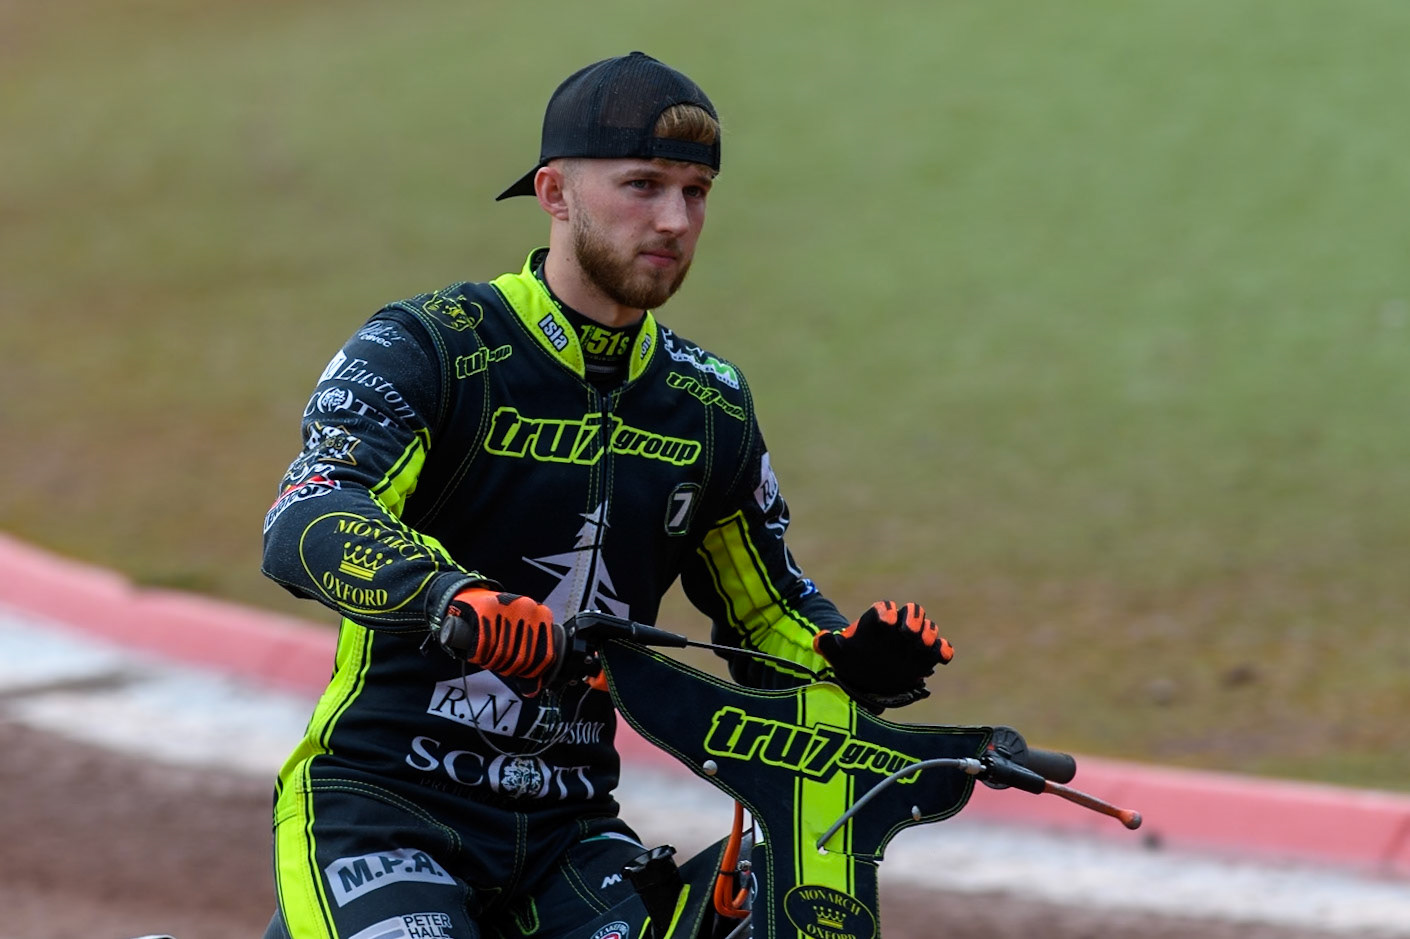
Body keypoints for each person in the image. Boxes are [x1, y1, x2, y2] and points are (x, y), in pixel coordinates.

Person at [259, 51, 951, 939]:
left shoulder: (710, 404)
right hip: (382, 808)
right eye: (642, 184)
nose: (674, 219)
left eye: (696, 191)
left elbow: (765, 615)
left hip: (572, 834)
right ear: (555, 193)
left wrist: (844, 658)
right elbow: (307, 515)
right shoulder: (429, 344)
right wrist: (451, 597)